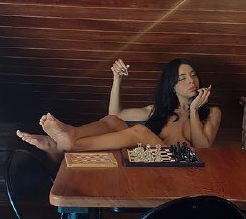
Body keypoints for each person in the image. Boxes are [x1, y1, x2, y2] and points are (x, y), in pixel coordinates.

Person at [16, 58, 221, 159]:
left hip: (182, 163)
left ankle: (64, 145)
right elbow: (114, 116)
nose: (191, 81)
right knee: (115, 122)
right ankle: (69, 137)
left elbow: (203, 150)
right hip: (153, 162)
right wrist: (117, 80)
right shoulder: (158, 111)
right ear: (172, 86)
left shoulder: (211, 112)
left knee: (139, 131)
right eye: (182, 78)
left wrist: (194, 111)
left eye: (193, 75)